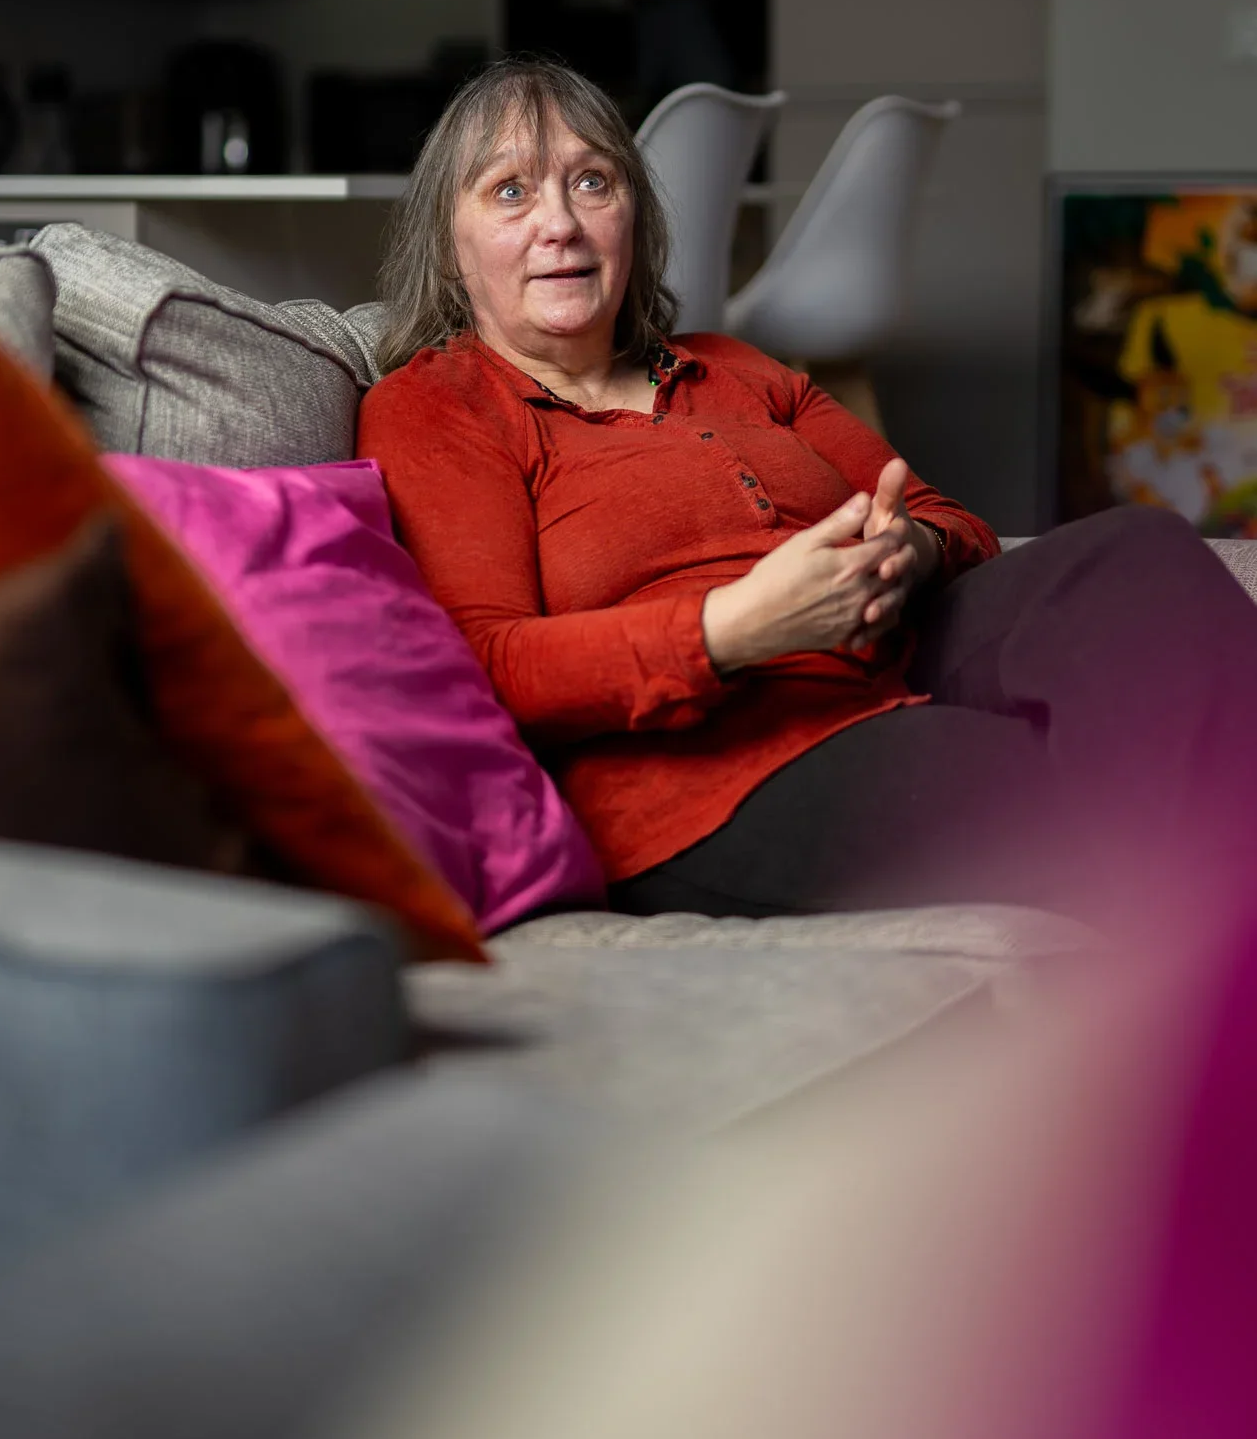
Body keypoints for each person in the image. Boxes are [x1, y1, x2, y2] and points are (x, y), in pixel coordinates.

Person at [359, 57, 1257, 921]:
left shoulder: (734, 368)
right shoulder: (438, 406)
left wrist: (908, 553)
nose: (559, 222)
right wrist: (737, 627)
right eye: (510, 191)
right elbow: (488, 666)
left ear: (633, 215)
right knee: (1073, 786)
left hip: (880, 658)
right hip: (709, 773)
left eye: (591, 183)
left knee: (1137, 553)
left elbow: (950, 521)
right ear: (450, 240)